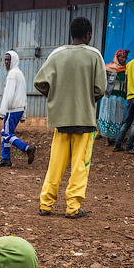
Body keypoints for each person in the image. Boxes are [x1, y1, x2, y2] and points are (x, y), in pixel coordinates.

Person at [33, 16, 105, 219]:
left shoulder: (57, 54)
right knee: (80, 166)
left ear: (72, 33)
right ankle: (73, 207)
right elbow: (100, 88)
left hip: (61, 120)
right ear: (88, 34)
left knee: (55, 163)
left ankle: (45, 203)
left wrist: (56, 98)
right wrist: (86, 100)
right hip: (85, 120)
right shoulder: (94, 55)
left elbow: (39, 82)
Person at [0, 50, 35, 167]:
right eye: (5, 59)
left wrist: (2, 112)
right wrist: (23, 114)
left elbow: (8, 94)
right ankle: (6, 158)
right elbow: (24, 95)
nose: (7, 62)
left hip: (12, 109)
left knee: (6, 133)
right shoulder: (19, 74)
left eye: (9, 59)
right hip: (19, 109)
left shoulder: (12, 74)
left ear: (14, 60)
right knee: (6, 133)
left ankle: (27, 148)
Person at [98, 49, 128, 146]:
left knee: (118, 117)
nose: (123, 59)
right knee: (108, 116)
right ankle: (106, 138)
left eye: (125, 57)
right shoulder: (108, 68)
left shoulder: (126, 69)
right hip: (109, 97)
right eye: (121, 57)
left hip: (119, 98)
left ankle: (115, 138)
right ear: (117, 57)